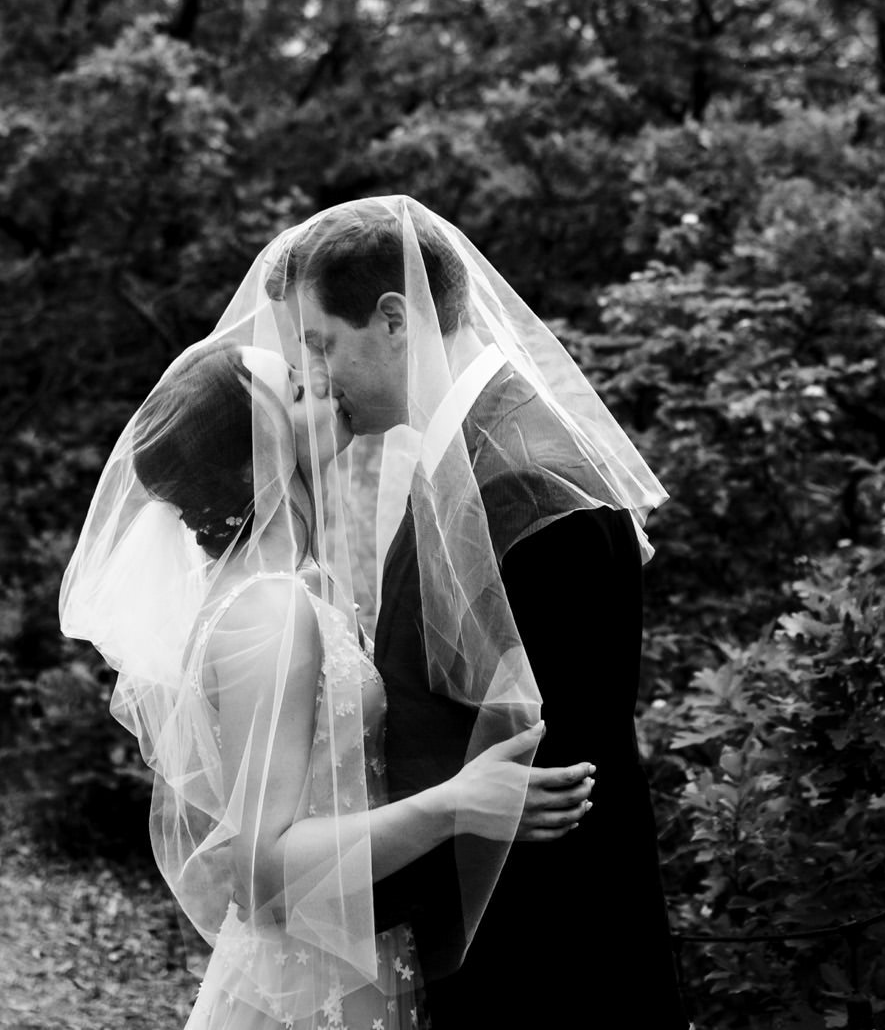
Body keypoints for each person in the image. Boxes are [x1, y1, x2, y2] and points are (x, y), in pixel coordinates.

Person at [60, 340, 595, 1030]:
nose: (327, 383)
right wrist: (458, 803)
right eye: (298, 392)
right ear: (258, 459)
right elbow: (263, 874)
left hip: (354, 959)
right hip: (306, 990)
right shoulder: (269, 611)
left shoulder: (300, 587)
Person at [269, 197, 687, 1029]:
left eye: (323, 344)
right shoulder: (466, 451)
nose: (315, 377)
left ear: (394, 317)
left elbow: (555, 780)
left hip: (550, 970)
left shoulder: (526, 480)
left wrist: (332, 883)